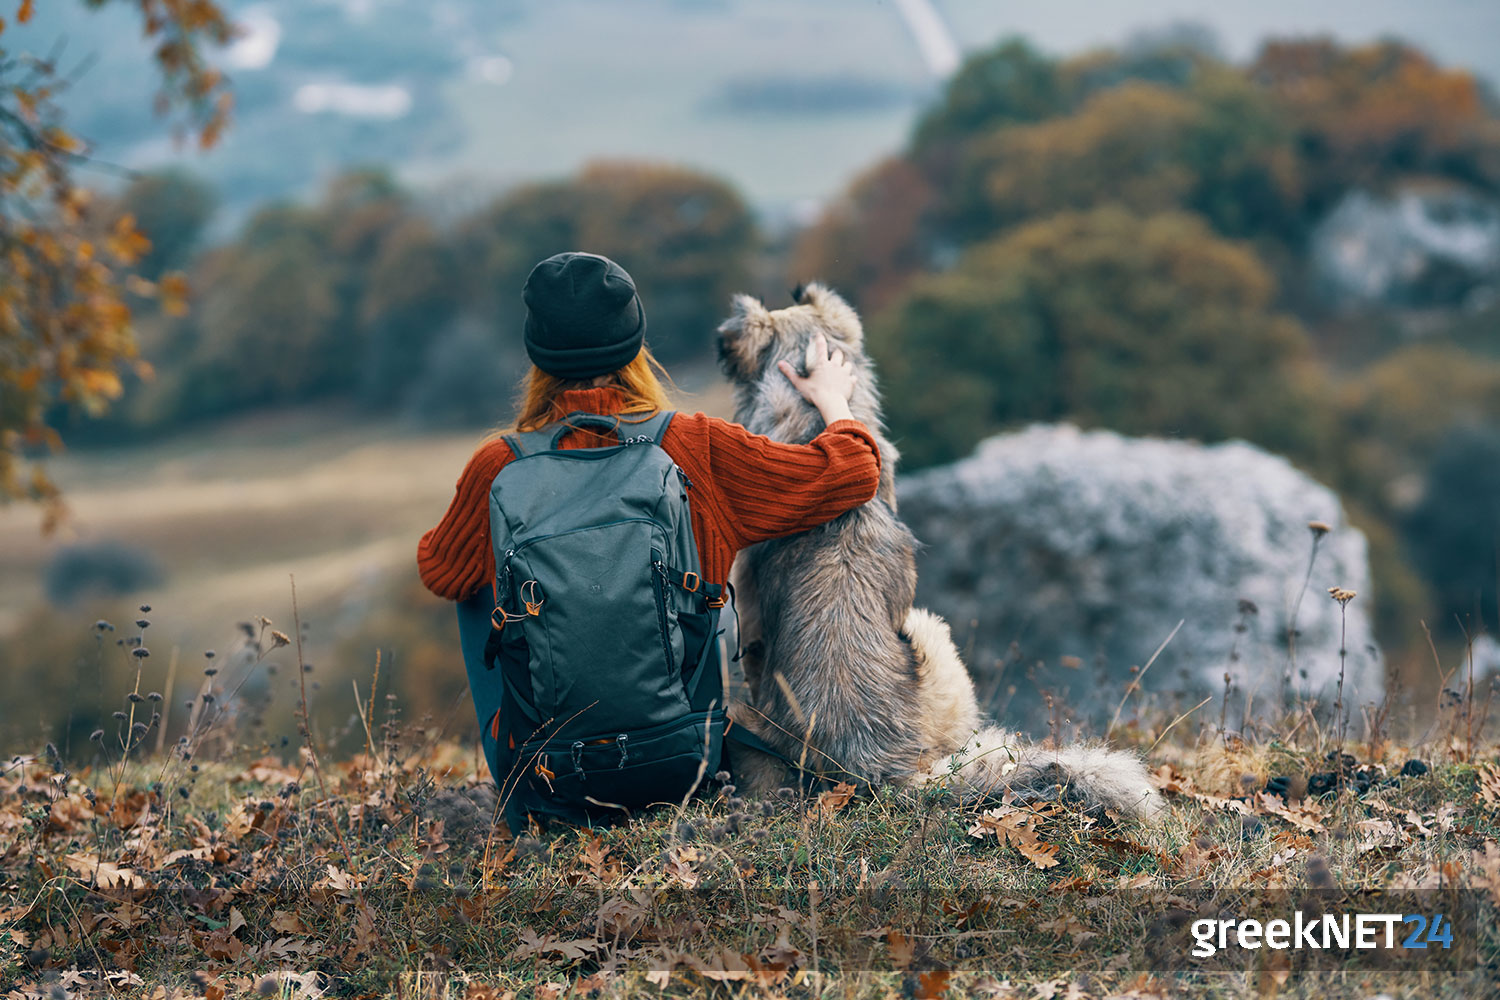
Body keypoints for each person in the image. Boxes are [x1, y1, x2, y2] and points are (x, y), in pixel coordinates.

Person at [416, 251, 881, 799]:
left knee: (474, 585)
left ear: (536, 355)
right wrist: (831, 400)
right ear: (635, 343)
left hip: (549, 785)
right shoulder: (695, 446)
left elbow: (439, 572)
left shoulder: (498, 467)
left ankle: (521, 762)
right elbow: (851, 474)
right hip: (686, 764)